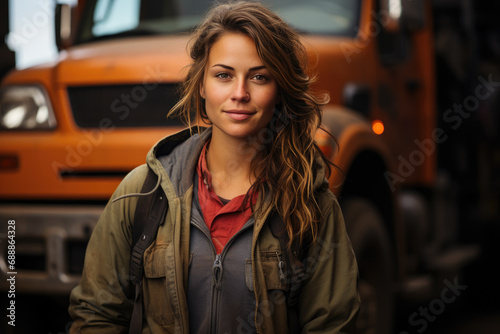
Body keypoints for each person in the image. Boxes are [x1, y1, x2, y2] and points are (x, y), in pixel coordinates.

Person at [69, 1, 360, 333]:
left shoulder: (310, 204)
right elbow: (95, 316)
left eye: (260, 77)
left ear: (279, 91)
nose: (239, 93)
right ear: (202, 85)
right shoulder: (142, 193)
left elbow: (333, 326)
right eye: (224, 75)